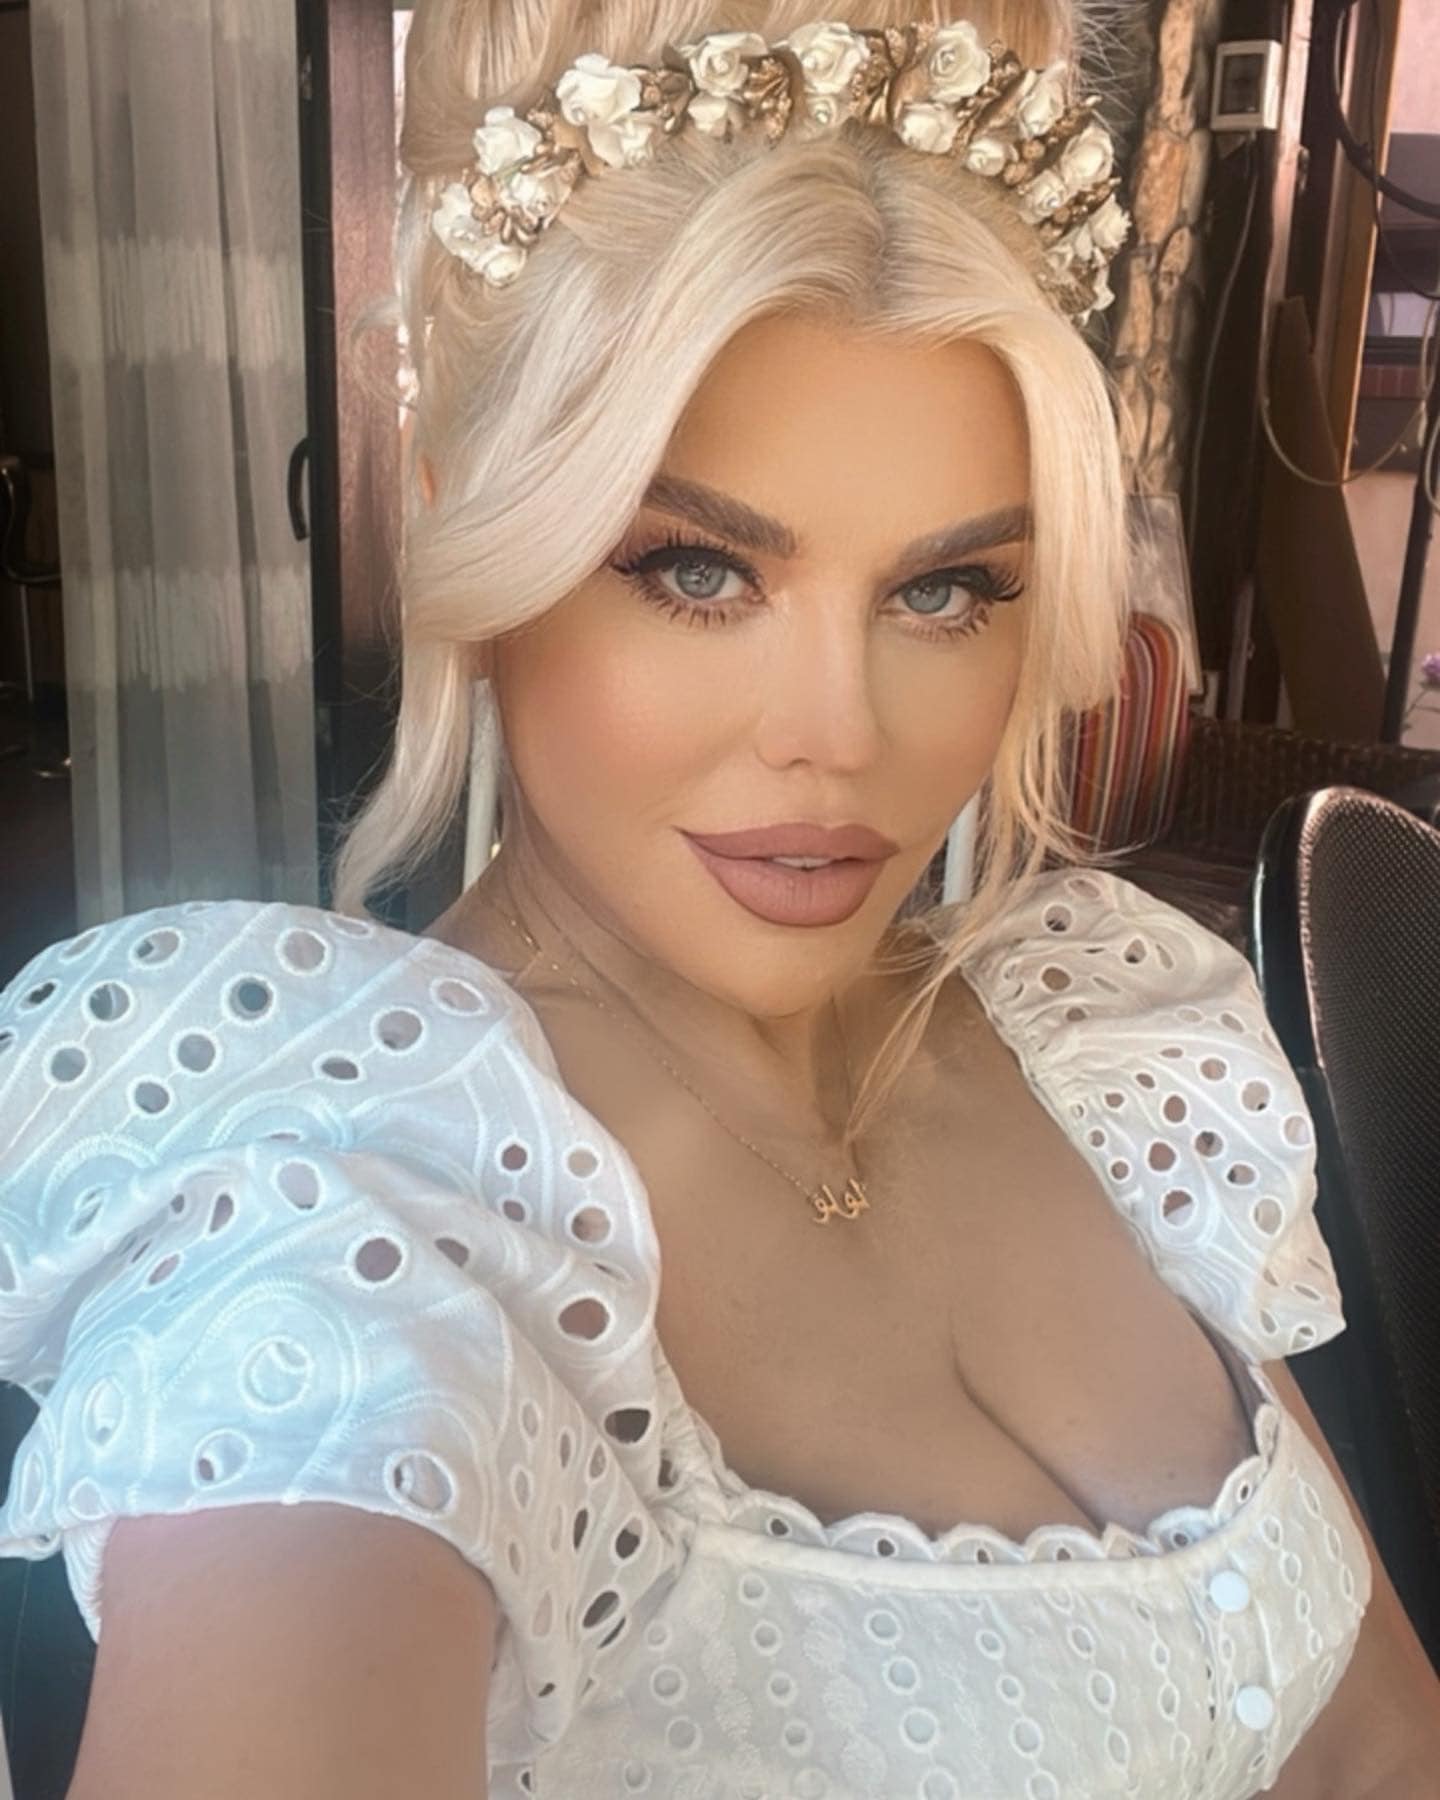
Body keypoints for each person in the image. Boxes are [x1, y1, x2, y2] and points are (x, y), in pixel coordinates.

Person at [1, 5, 1437, 1797]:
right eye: (696, 570)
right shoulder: (354, 1226)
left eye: (945, 592)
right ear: (476, 542)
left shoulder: (1102, 1045)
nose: (838, 737)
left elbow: (1381, 1734)